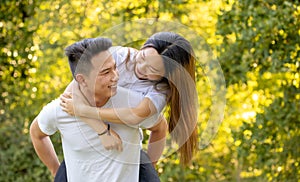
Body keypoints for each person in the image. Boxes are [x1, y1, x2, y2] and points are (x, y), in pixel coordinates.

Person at [30, 37, 161, 182]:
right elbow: (36, 133)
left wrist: (148, 171)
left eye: (115, 67)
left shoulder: (135, 102)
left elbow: (160, 127)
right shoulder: (62, 109)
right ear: (82, 80)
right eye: (106, 72)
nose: (116, 77)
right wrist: (56, 171)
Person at [61, 32, 199, 166]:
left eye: (153, 70)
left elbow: (135, 116)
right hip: (90, 136)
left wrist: (83, 110)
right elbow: (70, 93)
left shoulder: (160, 90)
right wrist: (101, 129)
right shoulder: (120, 56)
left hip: (125, 139)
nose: (141, 68)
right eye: (143, 56)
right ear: (144, 46)